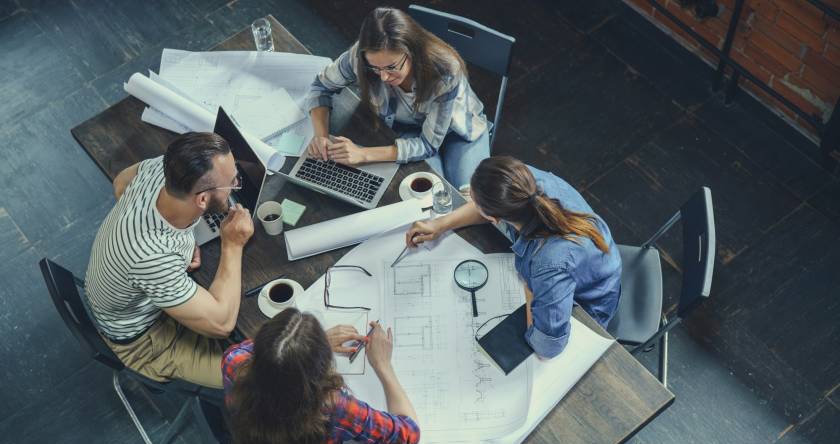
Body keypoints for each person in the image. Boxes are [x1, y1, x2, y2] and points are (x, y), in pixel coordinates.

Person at [85, 133, 366, 388]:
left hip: (134, 293)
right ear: (203, 200)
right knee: (264, 376)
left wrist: (181, 242)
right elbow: (221, 325)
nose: (235, 186)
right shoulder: (150, 257)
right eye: (231, 182)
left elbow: (121, 181)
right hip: (146, 338)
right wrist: (232, 244)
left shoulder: (164, 169)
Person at [405, 156, 622, 358]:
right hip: (592, 257)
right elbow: (491, 207)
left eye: (473, 199)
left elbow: (548, 347)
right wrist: (440, 224)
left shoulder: (548, 265)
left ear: (494, 218)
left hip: (589, 301)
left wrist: (530, 291)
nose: (470, 201)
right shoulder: (523, 181)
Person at [305, 7, 490, 190]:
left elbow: (427, 145)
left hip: (457, 131)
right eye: (375, 68)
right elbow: (321, 87)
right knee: (433, 195)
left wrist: (363, 154)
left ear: (411, 51)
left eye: (391, 67)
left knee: (474, 199)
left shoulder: (446, 71)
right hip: (407, 130)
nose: (383, 77)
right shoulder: (360, 56)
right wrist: (321, 135)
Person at [223, 309, 420, 444]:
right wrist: (383, 365)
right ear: (322, 363)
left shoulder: (232, 361)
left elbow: (270, 356)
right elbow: (406, 435)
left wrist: (300, 347)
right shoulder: (331, 406)